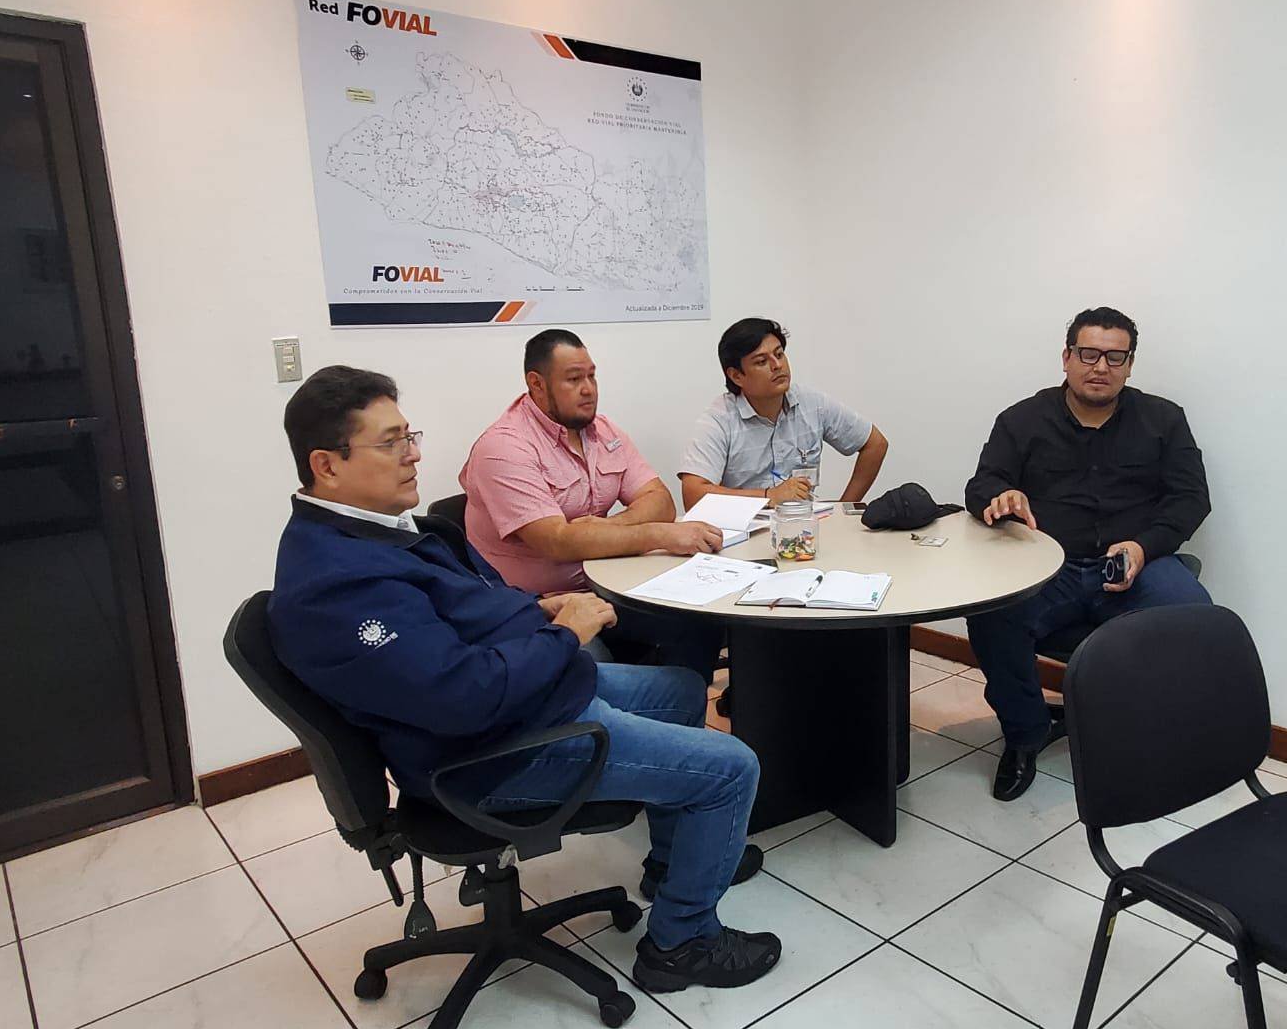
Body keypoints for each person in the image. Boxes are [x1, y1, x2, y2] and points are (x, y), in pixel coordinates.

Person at [268, 366, 780, 991]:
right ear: (327, 465)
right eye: (391, 442)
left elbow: (459, 616)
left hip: (530, 696)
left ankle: (673, 865)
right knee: (732, 768)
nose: (413, 454)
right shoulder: (339, 583)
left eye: (409, 436)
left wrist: (541, 611)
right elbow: (462, 697)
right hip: (492, 753)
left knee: (680, 689)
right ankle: (682, 943)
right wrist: (566, 634)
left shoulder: (374, 532)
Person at [965, 307, 1212, 801]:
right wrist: (1001, 497)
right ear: (1067, 357)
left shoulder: (1164, 419)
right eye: (1089, 354)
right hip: (1047, 567)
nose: (1101, 367)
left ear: (1130, 364)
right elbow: (981, 486)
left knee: (1197, 619)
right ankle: (1025, 733)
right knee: (990, 614)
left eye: (1115, 357)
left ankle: (1164, 737)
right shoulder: (1021, 420)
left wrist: (1144, 546)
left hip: (1136, 563)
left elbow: (1191, 499)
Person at [459, 330, 724, 686]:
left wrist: (607, 527)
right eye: (573, 379)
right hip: (538, 606)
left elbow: (660, 499)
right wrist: (659, 535)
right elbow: (556, 541)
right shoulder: (504, 447)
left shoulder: (602, 431)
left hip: (608, 587)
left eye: (592, 376)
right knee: (594, 669)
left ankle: (681, 713)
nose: (589, 389)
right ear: (537, 384)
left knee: (698, 622)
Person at [677, 317, 889, 509]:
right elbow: (693, 495)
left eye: (779, 354)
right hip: (743, 530)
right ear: (736, 376)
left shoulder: (812, 403)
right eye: (761, 361)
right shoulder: (718, 419)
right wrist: (768, 496)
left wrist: (843, 508)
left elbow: (875, 444)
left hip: (803, 527)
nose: (777, 365)